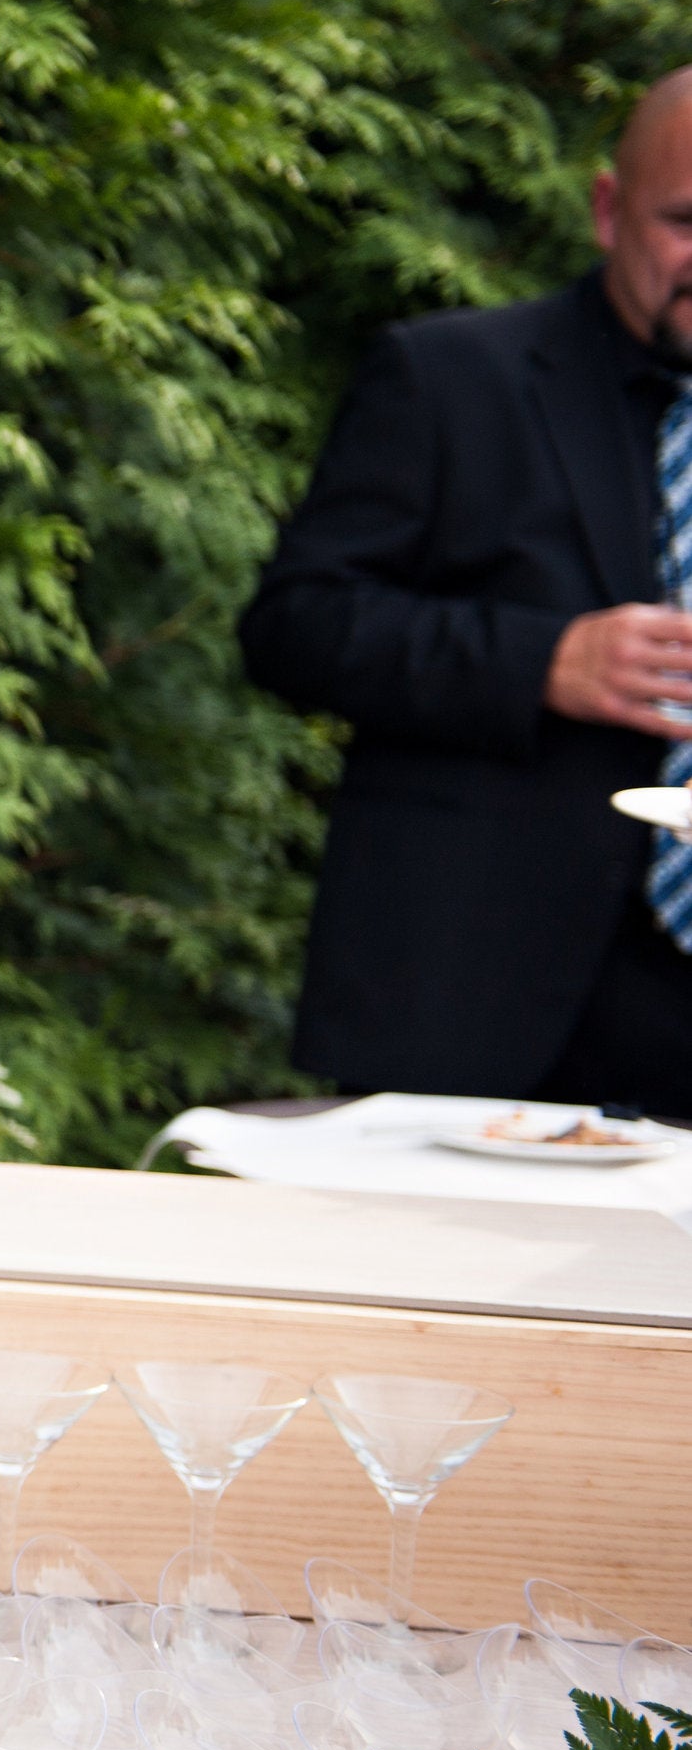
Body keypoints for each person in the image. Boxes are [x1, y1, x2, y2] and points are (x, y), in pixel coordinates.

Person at [240, 69, 692, 1113]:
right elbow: (291, 627)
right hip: (474, 1004)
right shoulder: (446, 377)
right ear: (604, 209)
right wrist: (538, 661)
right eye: (681, 223)